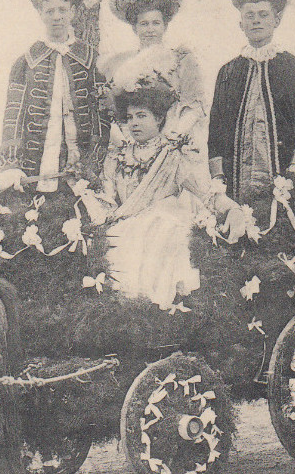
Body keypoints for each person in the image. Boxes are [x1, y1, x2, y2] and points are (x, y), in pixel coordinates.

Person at [102, 77, 245, 310]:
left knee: (160, 228)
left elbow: (207, 193)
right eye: (129, 118)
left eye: (142, 116)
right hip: (122, 224)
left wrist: (232, 209)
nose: (134, 124)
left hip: (162, 229)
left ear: (159, 119)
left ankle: (150, 310)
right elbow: (106, 196)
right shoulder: (117, 156)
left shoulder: (174, 156)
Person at [0, 0, 108, 195]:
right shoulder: (25, 62)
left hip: (81, 171)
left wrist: (94, 164)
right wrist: (11, 165)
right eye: (49, 11)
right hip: (34, 170)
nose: (56, 17)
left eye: (62, 10)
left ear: (73, 12)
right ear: (40, 13)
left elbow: (101, 117)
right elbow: (13, 116)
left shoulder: (93, 60)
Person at [207, 0, 295, 203]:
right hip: (235, 180)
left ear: (276, 20)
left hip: (284, 177)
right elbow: (216, 128)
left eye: (263, 15)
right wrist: (217, 176)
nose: (256, 21)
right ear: (241, 24)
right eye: (250, 16)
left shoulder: (294, 67)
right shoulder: (227, 72)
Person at [101, 0, 206, 153]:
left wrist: (172, 140)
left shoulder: (181, 60)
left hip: (171, 146)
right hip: (130, 146)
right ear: (135, 28)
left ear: (165, 26)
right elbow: (110, 111)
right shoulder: (118, 64)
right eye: (144, 24)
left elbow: (193, 106)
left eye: (156, 23)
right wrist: (125, 142)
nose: (150, 30)